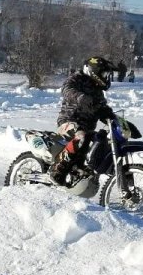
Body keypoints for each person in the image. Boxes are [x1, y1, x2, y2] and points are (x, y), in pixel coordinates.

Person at [49, 56, 117, 185]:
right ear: (94, 71)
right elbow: (66, 90)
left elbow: (102, 108)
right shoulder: (77, 78)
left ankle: (81, 171)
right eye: (104, 74)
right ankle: (57, 170)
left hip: (87, 127)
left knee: (100, 140)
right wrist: (81, 97)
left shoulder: (97, 90)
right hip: (69, 121)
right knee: (80, 137)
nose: (106, 77)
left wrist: (114, 119)